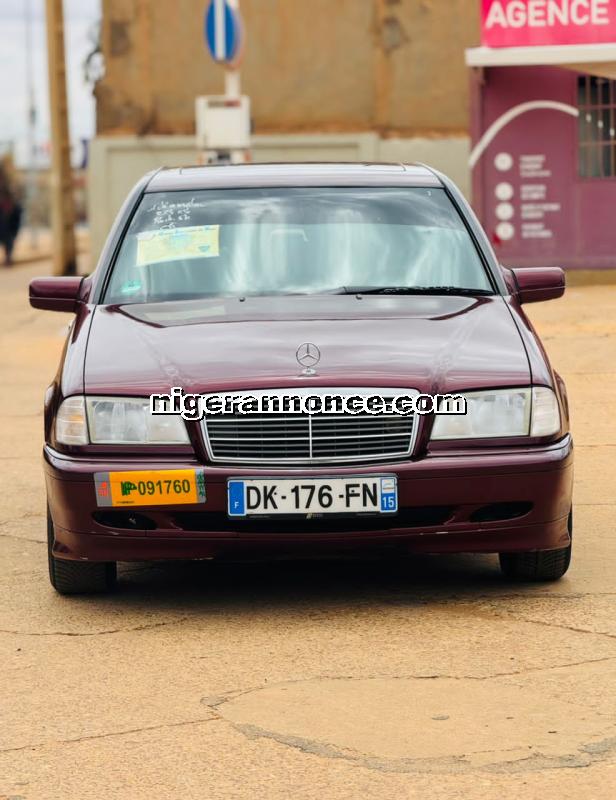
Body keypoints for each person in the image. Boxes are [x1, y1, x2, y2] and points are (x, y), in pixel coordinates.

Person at [0, 164, 22, 266]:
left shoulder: (7, 182)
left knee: (8, 236)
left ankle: (8, 256)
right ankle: (8, 256)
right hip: (6, 213)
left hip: (8, 213)